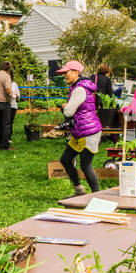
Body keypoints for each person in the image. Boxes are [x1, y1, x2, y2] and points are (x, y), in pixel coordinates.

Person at [57, 61, 102, 195]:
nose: (65, 75)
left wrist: (64, 107)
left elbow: (69, 112)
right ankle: (79, 191)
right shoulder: (78, 87)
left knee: (85, 165)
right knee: (65, 159)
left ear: (76, 72)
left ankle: (97, 195)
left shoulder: (79, 89)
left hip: (89, 132)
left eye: (67, 72)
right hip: (80, 130)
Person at [0, 60, 15, 150]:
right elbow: (8, 89)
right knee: (6, 124)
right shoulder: (6, 76)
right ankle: (5, 145)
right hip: (4, 102)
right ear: (9, 69)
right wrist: (11, 95)